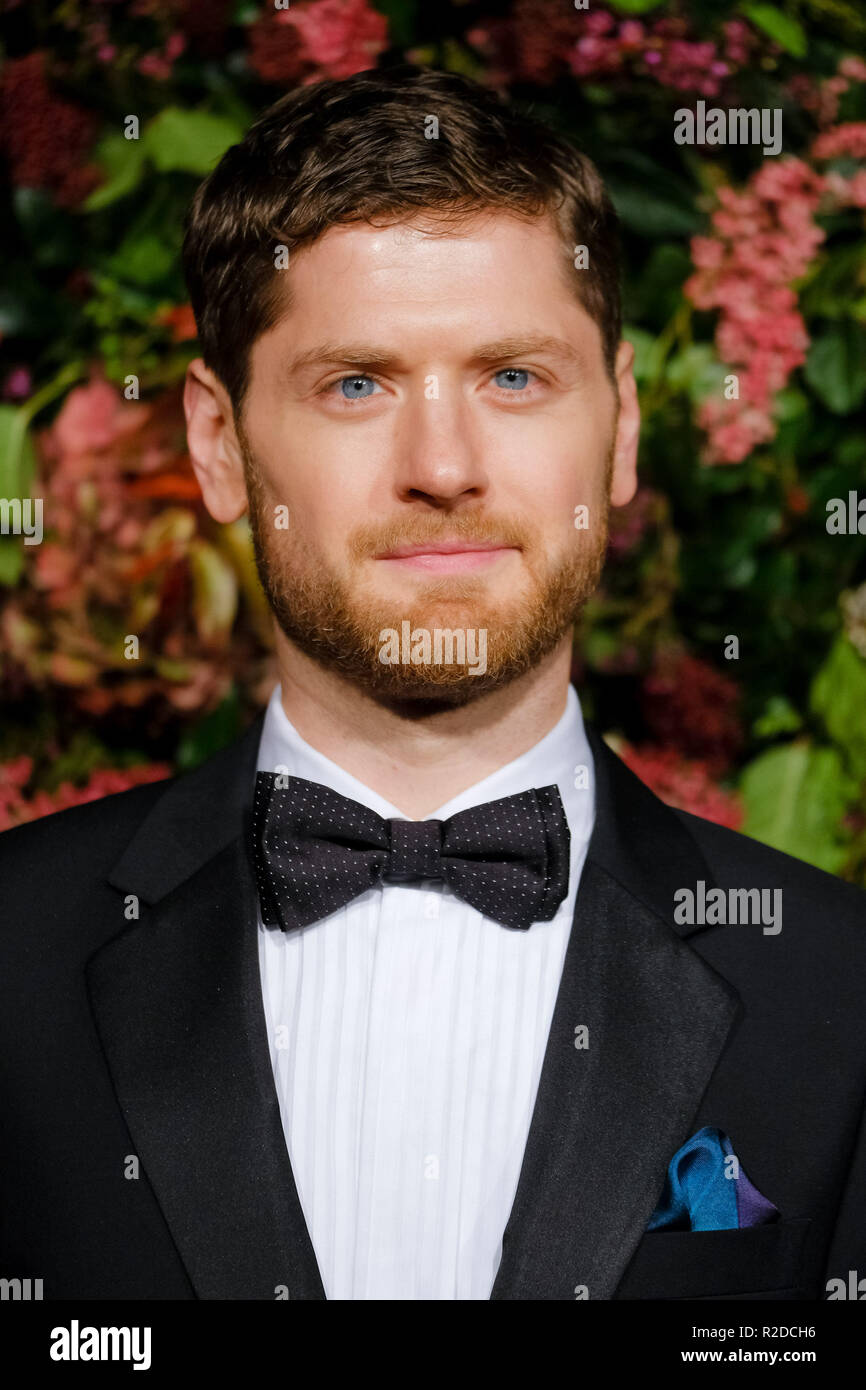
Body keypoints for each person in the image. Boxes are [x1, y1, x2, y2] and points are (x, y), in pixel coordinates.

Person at [1, 64, 864, 1303]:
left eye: (513, 377)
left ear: (617, 428)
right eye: (356, 384)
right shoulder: (11, 958)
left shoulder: (841, 991)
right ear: (217, 444)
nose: (443, 466)